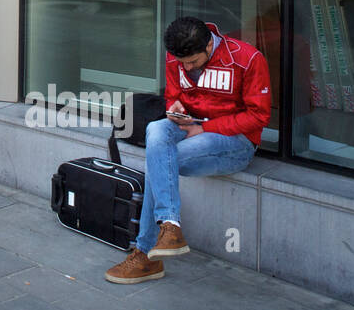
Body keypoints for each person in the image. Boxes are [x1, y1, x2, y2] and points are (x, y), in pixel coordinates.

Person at [105, 15, 271, 284]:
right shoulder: (176, 57)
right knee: (155, 131)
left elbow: (258, 117)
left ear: (208, 46)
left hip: (235, 142)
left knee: (159, 162)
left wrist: (205, 129)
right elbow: (173, 94)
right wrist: (175, 107)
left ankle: (145, 255)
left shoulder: (247, 59)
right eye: (182, 63)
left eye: (192, 62)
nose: (186, 66)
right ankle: (170, 226)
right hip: (189, 125)